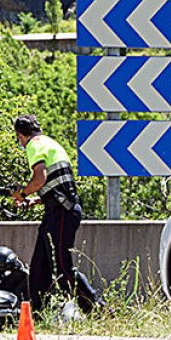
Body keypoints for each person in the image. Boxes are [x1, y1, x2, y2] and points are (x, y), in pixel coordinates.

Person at [12, 114, 103, 317]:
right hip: (59, 209)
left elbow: (40, 177)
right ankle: (36, 313)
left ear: (20, 135)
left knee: (62, 265)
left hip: (62, 212)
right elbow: (58, 183)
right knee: (40, 265)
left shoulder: (34, 146)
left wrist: (23, 193)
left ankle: (96, 307)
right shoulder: (50, 143)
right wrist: (36, 200)